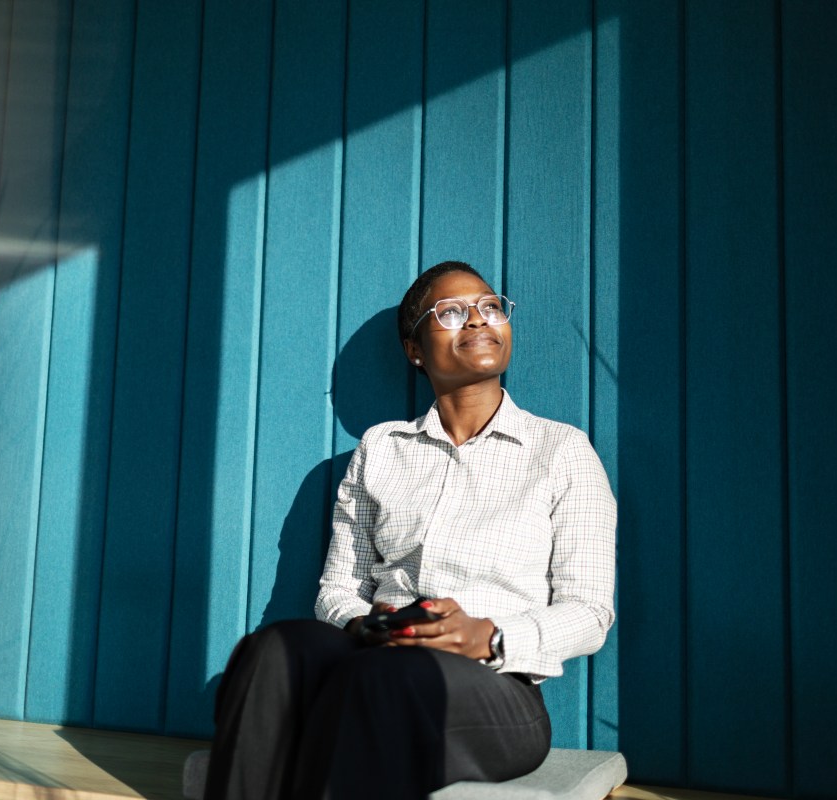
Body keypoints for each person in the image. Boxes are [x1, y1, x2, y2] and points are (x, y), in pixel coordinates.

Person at [203, 261, 616, 800]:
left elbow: (590, 613)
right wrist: (368, 623)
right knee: (274, 649)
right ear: (415, 349)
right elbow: (337, 590)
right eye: (451, 312)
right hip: (376, 655)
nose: (477, 319)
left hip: (494, 688)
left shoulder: (562, 451)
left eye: (490, 307)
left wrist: (489, 636)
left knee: (379, 681)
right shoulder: (381, 449)